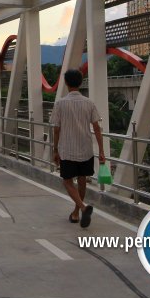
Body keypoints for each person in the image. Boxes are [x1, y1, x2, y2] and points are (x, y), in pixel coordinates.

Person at [51, 69, 106, 228]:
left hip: (67, 149)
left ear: (66, 83)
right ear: (80, 83)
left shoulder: (60, 104)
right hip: (85, 149)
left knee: (67, 182)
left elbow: (56, 129)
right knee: (82, 181)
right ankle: (76, 213)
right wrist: (101, 151)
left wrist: (55, 150)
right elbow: (97, 128)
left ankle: (81, 208)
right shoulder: (89, 103)